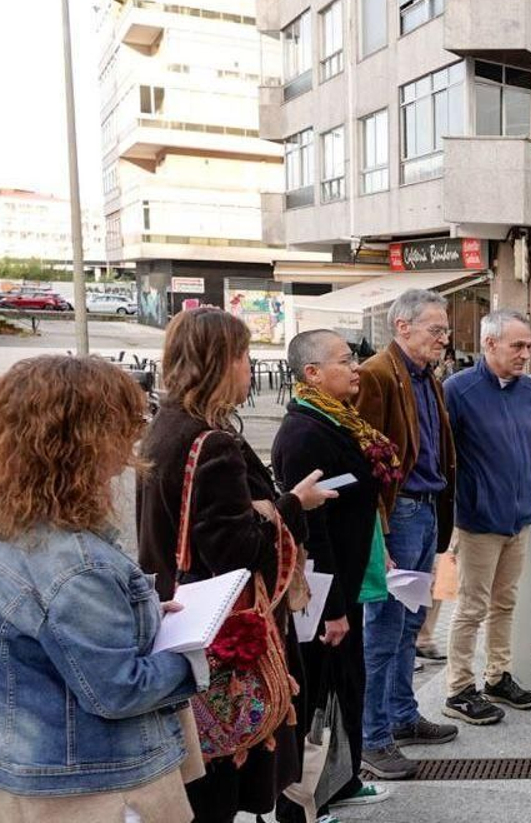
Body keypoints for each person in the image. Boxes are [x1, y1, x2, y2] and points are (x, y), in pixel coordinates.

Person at [0, 356, 204, 822]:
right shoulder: (75, 561)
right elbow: (119, 690)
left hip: (20, 770)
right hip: (97, 785)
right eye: (128, 423)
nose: (135, 437)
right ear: (87, 438)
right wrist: (192, 657)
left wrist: (137, 617)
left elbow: (38, 635)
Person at [137, 307, 333, 823]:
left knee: (196, 776)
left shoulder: (166, 426)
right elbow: (235, 551)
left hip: (176, 615)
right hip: (221, 630)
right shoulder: (212, 442)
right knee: (217, 779)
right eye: (244, 356)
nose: (249, 367)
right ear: (220, 362)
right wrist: (292, 505)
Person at [272, 329, 399, 819]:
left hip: (351, 575)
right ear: (312, 373)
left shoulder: (339, 419)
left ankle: (341, 781)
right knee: (317, 695)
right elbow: (315, 532)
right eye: (344, 361)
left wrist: (378, 552)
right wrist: (332, 609)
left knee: (346, 685)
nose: (355, 368)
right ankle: (301, 803)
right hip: (327, 590)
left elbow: (354, 505)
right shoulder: (303, 434)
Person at [442, 309, 531, 723]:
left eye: (529, 346)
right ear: (490, 344)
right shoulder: (458, 390)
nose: (525, 354)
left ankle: (497, 677)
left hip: (520, 517)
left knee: (505, 603)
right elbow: (442, 455)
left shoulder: (529, 391)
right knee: (471, 607)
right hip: (478, 520)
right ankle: (458, 689)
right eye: (517, 345)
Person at [354, 289, 461, 780]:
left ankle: (401, 715)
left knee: (408, 624)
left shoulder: (424, 376)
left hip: (424, 512)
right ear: (402, 327)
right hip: (398, 517)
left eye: (445, 330)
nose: (444, 338)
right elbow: (367, 462)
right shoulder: (378, 374)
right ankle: (373, 738)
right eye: (436, 330)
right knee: (383, 629)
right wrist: (379, 532)